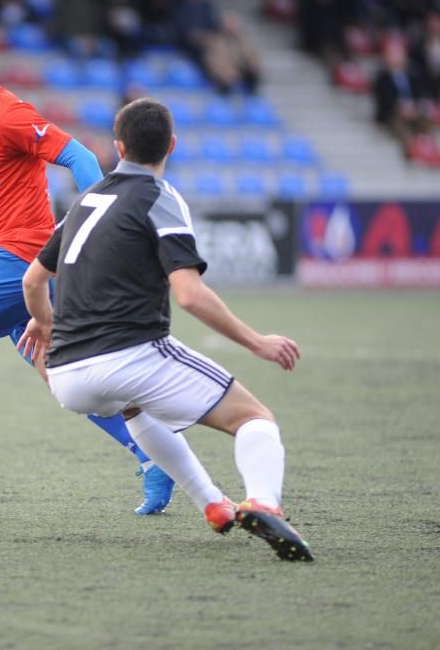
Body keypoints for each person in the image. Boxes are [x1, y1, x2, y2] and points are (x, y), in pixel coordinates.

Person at [0, 18, 234, 526]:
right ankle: (153, 457)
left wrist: (101, 212)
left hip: (20, 256)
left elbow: (75, 153)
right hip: (14, 263)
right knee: (65, 380)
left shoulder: (8, 114)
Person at [17, 98, 313, 561]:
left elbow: (32, 280)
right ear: (171, 145)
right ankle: (263, 502)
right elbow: (190, 295)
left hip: (67, 377)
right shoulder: (161, 197)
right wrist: (257, 342)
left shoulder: (83, 201)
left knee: (137, 409)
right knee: (254, 419)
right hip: (129, 355)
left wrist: (45, 322)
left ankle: (213, 504)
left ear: (118, 147)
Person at [373, 40, 431, 149]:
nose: (397, 57)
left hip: (412, 111)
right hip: (391, 114)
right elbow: (384, 100)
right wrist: (400, 107)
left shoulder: (412, 75)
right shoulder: (382, 78)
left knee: (426, 121)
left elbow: (418, 95)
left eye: (399, 54)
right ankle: (409, 151)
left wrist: (413, 107)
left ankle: (427, 149)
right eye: (393, 54)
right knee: (399, 125)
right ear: (387, 57)